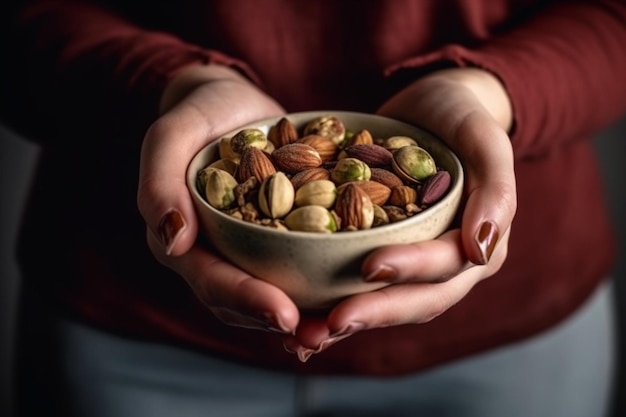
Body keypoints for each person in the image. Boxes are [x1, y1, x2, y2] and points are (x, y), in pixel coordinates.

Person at [1, 1, 625, 416]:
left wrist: (488, 93)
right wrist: (176, 84)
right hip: (134, 327)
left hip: (509, 340)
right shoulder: (289, 169)